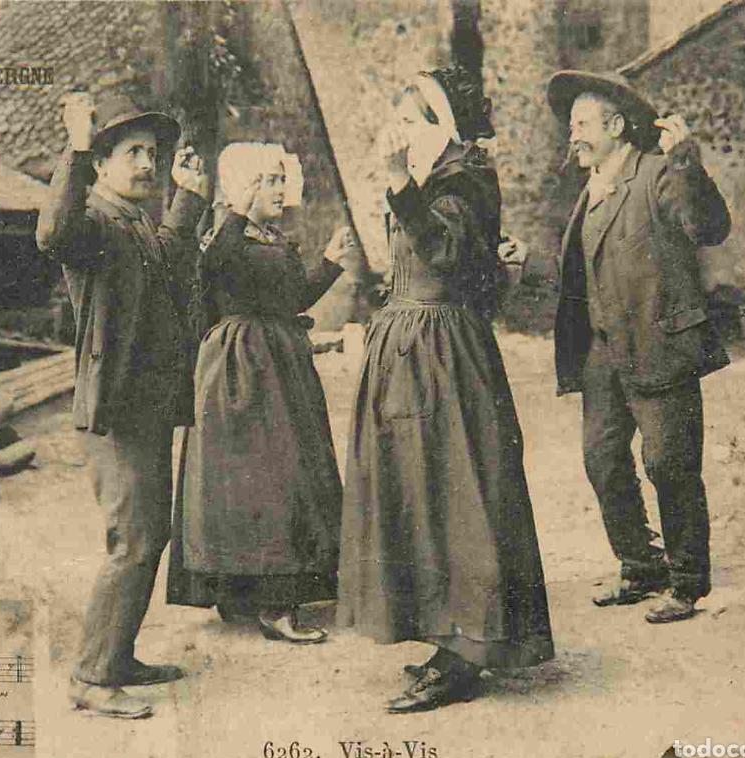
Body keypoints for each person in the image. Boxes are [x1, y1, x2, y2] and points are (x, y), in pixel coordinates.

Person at [337, 66, 554, 714]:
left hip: (443, 357)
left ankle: (466, 650)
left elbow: (446, 255)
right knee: (420, 497)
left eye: (411, 117)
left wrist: (402, 185)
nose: (398, 130)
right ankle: (446, 636)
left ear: (440, 124)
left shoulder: (464, 179)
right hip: (410, 350)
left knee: (456, 495)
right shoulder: (434, 181)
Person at [36, 90, 210, 719]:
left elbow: (168, 259)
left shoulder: (135, 223)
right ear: (103, 164)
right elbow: (51, 233)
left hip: (148, 405)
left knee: (149, 533)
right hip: (113, 408)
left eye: (154, 154)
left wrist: (187, 197)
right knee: (133, 538)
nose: (148, 164)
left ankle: (119, 656)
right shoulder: (90, 223)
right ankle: (91, 674)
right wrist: (76, 148)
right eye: (133, 152)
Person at [546, 71, 731, 624]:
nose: (572, 135)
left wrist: (687, 164)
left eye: (581, 125)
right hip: (604, 351)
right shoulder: (593, 187)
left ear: (617, 127)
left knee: (669, 463)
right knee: (602, 458)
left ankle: (686, 582)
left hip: (658, 341)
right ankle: (639, 564)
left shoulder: (656, 174)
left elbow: (709, 227)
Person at [166, 142, 354, 644]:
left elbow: (288, 301)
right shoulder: (224, 238)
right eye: (266, 180)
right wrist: (234, 211)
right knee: (260, 477)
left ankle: (259, 593)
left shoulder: (271, 237)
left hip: (278, 361)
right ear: (241, 188)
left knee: (283, 473)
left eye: (278, 178)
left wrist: (331, 264)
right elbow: (215, 272)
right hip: (241, 367)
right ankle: (264, 600)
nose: (277, 188)